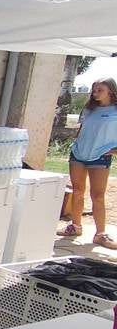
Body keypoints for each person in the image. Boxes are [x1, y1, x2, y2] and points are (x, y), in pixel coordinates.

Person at [57, 78, 117, 249]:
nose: (95, 93)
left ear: (111, 91)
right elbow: (82, 129)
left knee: (97, 196)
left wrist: (114, 150)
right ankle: (75, 227)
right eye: (94, 90)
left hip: (100, 156)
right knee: (77, 191)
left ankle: (100, 234)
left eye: (100, 90)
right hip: (78, 154)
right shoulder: (89, 109)